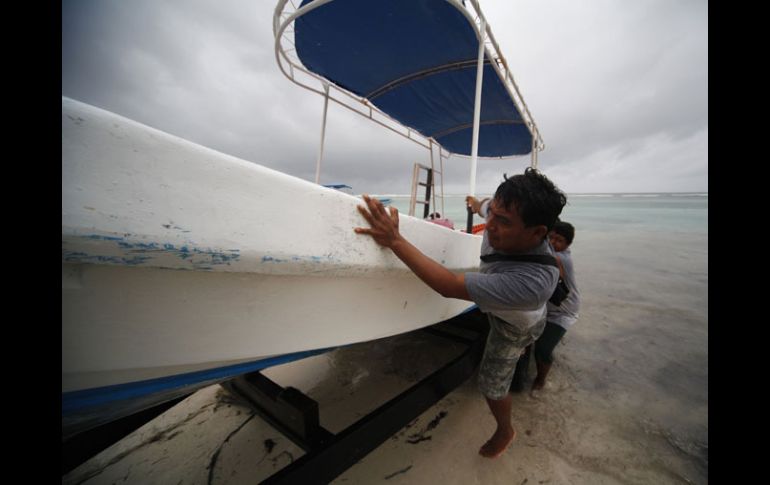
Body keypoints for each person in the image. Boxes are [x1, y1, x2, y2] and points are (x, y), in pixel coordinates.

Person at [354, 167, 566, 459]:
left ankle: (505, 429)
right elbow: (486, 206)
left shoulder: (533, 284)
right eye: (493, 213)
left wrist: (395, 241)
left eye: (502, 221)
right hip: (505, 304)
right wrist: (476, 202)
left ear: (538, 233)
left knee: (491, 385)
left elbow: (449, 286)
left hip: (514, 327)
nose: (490, 225)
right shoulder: (503, 211)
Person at [529, 220, 581, 391]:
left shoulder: (560, 258)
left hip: (564, 310)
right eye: (551, 238)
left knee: (542, 350)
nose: (553, 243)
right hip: (549, 306)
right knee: (534, 338)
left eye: (559, 240)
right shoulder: (554, 252)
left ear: (567, 244)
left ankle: (540, 380)